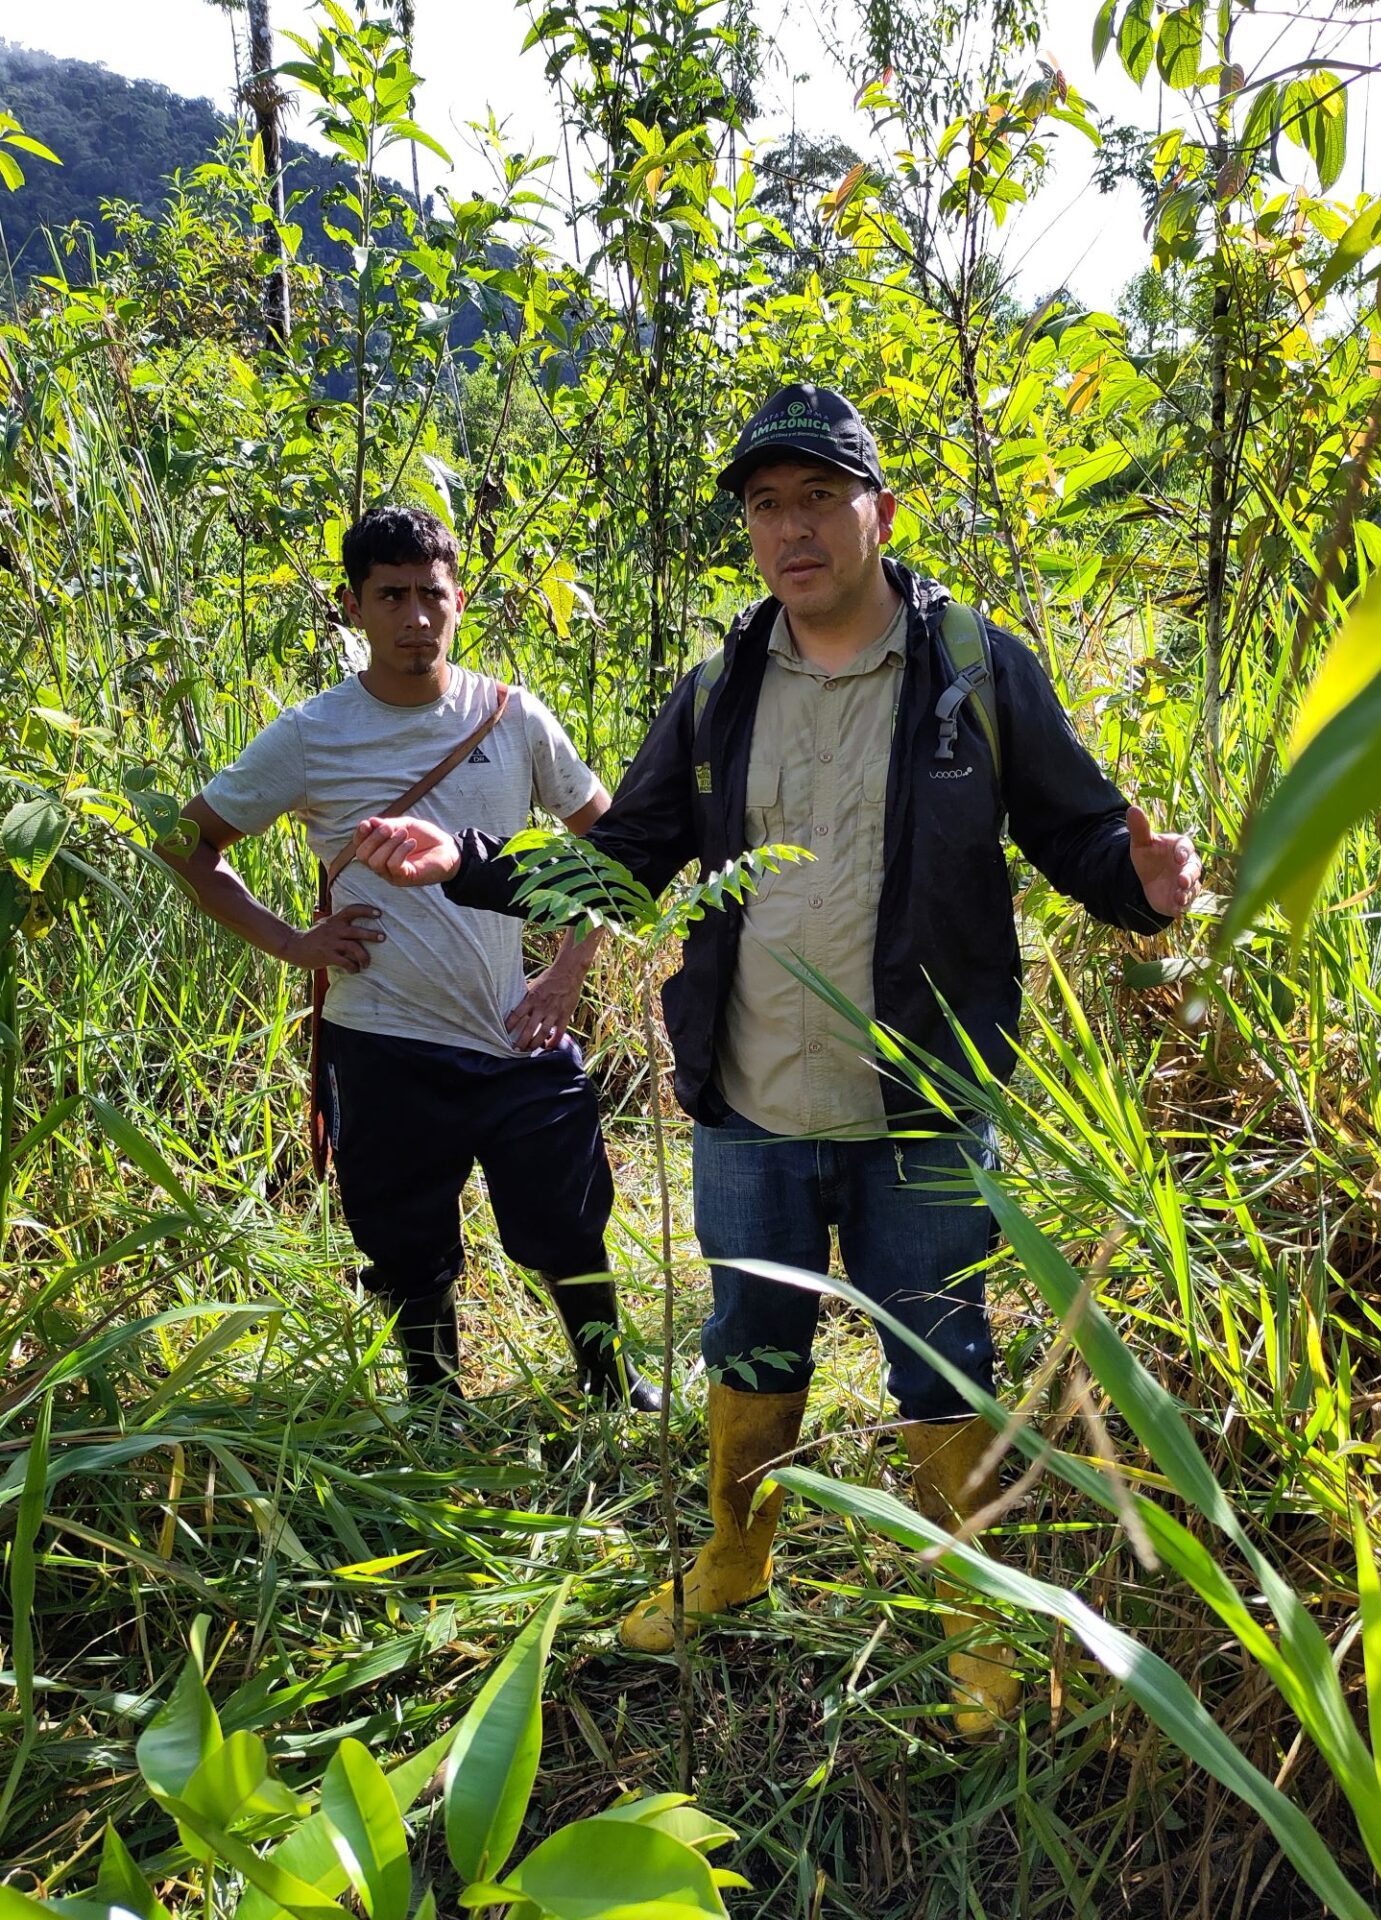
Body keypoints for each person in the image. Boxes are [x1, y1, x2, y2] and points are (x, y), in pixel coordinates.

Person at [348, 387, 1201, 1732]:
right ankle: (735, 1557)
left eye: (819, 497)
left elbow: (1079, 832)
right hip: (750, 1097)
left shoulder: (978, 668)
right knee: (749, 1340)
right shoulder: (717, 688)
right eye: (766, 504)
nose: (792, 529)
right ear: (746, 528)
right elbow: (623, 864)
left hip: (922, 1097)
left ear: (883, 511)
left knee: (941, 1346)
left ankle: (974, 1598)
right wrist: (467, 864)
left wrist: (1140, 884)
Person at [162, 504, 658, 1412]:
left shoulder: (513, 718)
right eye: (390, 596)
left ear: (459, 599)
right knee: (405, 1243)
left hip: (515, 1029)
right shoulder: (314, 735)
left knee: (568, 1223)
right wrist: (289, 941)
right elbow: (186, 842)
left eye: (431, 594)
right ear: (353, 606)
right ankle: (435, 1406)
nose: (415, 618)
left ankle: (611, 1385)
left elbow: (617, 849)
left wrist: (567, 971)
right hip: (382, 1038)